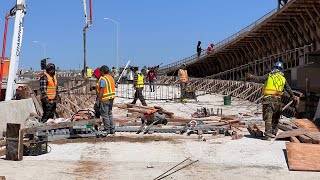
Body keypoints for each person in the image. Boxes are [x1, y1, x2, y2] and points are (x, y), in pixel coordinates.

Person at [246, 61, 296, 140]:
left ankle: (268, 135)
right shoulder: (283, 78)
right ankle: (273, 133)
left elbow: (259, 79)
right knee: (276, 117)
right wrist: (293, 96)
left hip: (269, 99)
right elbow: (288, 89)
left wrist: (251, 76)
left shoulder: (269, 75)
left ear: (274, 68)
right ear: (281, 69)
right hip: (278, 101)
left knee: (268, 117)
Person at [97, 65, 116, 136]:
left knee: (105, 115)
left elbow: (102, 90)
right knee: (110, 114)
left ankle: (107, 129)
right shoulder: (111, 78)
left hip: (105, 98)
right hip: (111, 98)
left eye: (100, 71)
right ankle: (112, 129)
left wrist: (99, 99)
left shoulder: (103, 79)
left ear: (102, 71)